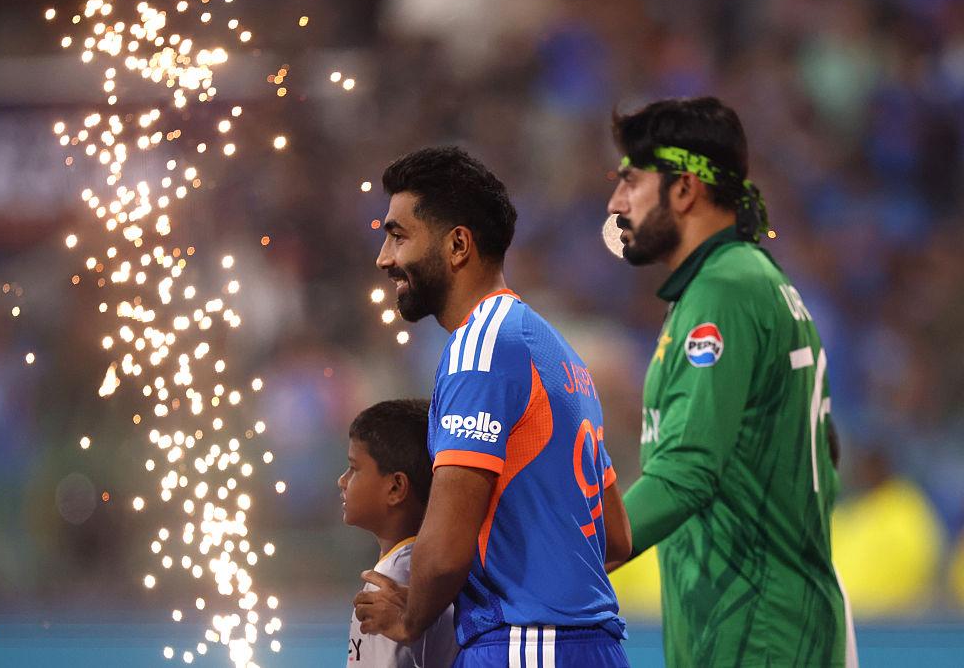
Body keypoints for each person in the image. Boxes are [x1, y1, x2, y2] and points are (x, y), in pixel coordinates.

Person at [355, 146, 633, 667]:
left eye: (397, 236)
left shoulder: (479, 350)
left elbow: (446, 549)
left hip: (524, 647)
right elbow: (615, 540)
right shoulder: (557, 352)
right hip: (595, 649)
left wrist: (411, 618)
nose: (384, 258)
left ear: (457, 244)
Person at [606, 96, 858, 667]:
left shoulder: (726, 290)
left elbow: (684, 471)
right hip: (765, 626)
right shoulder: (749, 281)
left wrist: (569, 557)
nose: (615, 203)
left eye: (630, 180)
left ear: (685, 189)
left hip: (758, 634)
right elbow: (824, 452)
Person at [340, 399, 460, 667]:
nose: (343, 481)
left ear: (396, 488)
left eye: (354, 468)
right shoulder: (421, 571)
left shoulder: (390, 586)